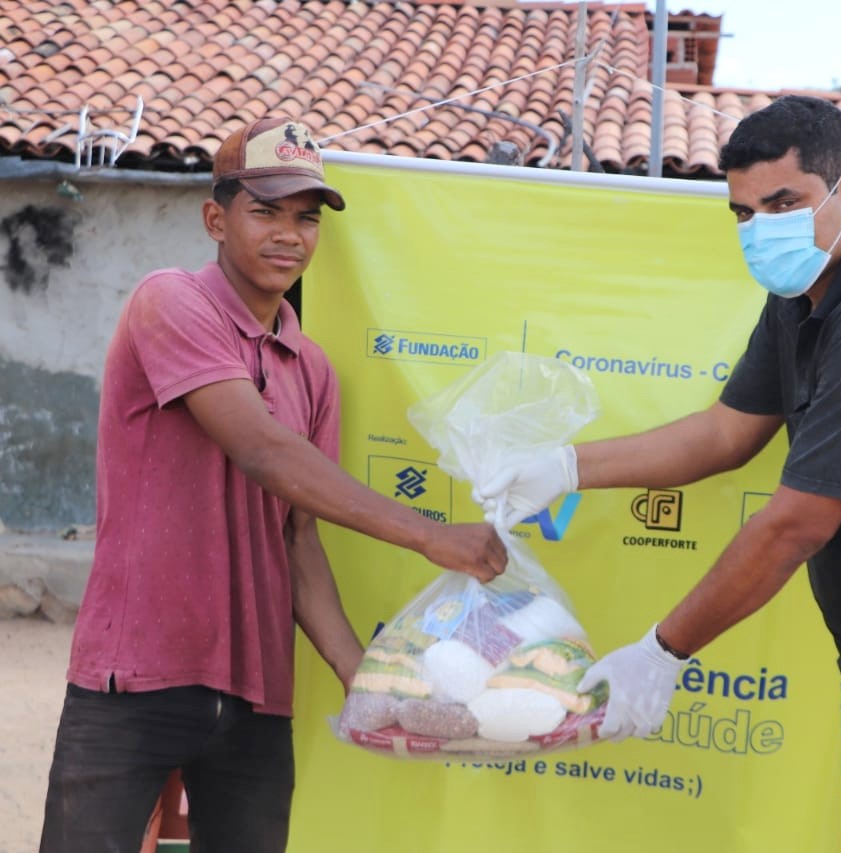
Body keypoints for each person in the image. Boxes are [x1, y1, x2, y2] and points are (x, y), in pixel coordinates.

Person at [477, 95, 841, 852]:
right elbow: (723, 433)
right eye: (743, 213)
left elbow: (795, 524)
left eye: (782, 203)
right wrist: (561, 467)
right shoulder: (802, 295)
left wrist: (661, 653)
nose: (761, 230)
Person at [40, 116, 507, 853]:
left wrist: (364, 677)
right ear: (215, 219)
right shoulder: (170, 301)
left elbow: (298, 540)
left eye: (306, 218)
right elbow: (261, 449)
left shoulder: (312, 368)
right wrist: (431, 536)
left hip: (257, 696)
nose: (289, 234)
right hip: (133, 676)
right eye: (265, 211)